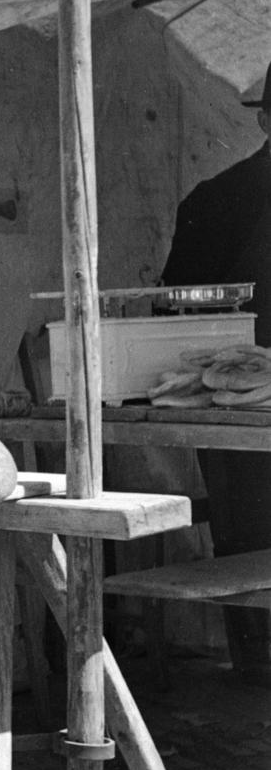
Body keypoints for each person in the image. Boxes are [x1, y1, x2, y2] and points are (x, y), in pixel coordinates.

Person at [160, 59, 271, 680]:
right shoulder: (221, 198)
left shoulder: (214, 197)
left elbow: (177, 305)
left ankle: (256, 661)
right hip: (236, 394)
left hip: (232, 401)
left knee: (244, 533)